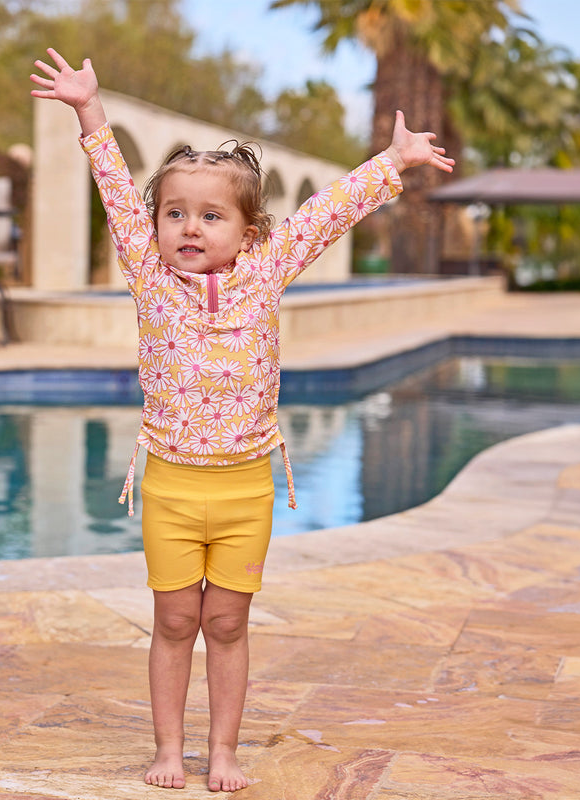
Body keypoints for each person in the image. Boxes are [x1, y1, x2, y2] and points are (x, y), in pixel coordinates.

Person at [30, 47, 454, 793]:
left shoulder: (267, 269)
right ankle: (169, 749)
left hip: (244, 488)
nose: (188, 228)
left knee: (225, 624)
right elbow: (117, 192)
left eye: (211, 215)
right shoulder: (149, 276)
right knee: (172, 624)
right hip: (169, 485)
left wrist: (392, 161)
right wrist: (90, 111)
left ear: (250, 230)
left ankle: (222, 750)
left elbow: (327, 212)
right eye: (175, 214)